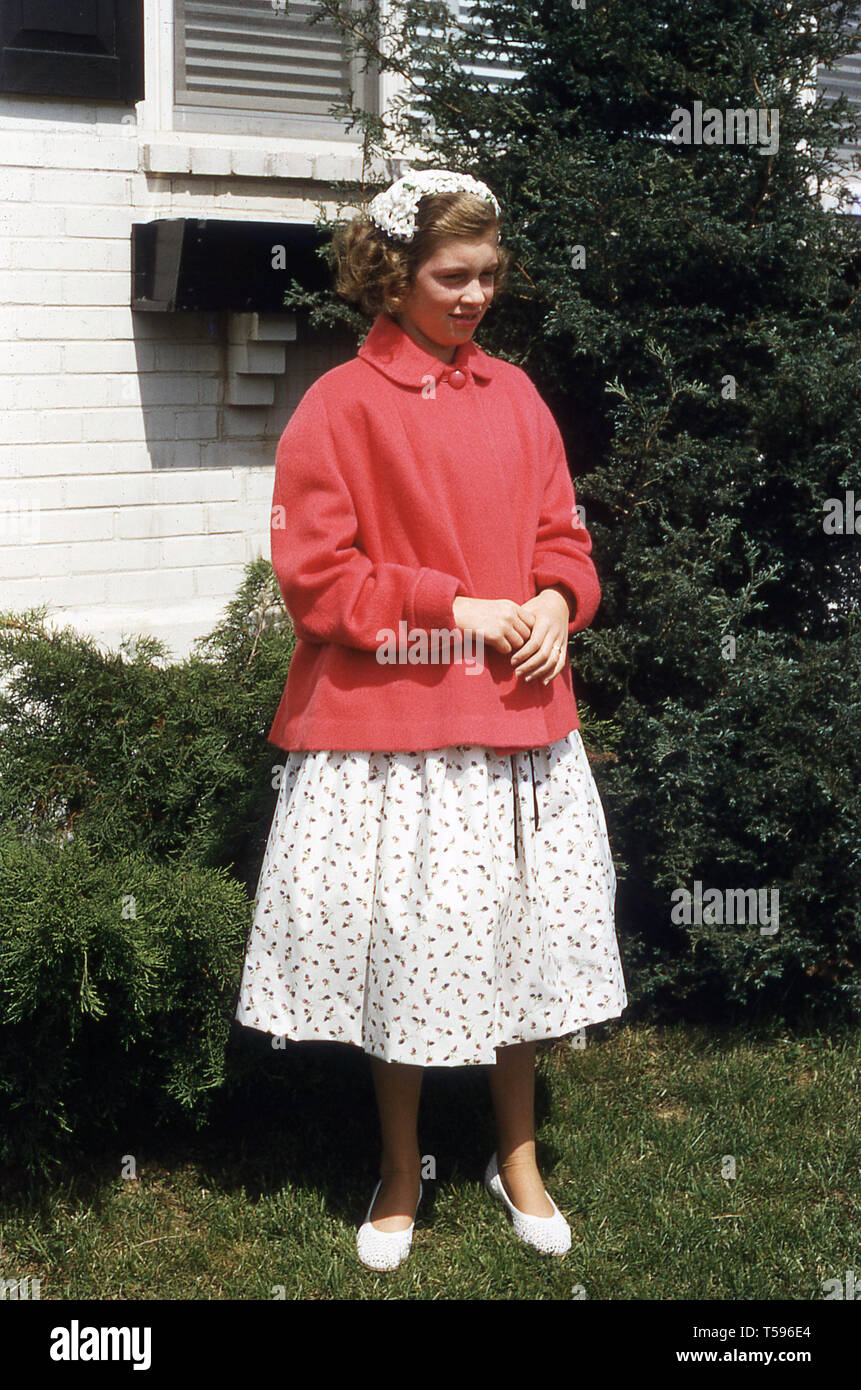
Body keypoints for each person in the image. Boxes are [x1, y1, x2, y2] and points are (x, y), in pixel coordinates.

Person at [234, 168, 628, 1270]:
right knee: (403, 947)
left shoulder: (515, 394)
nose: (475, 295)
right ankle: (402, 1168)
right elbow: (317, 579)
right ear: (394, 274)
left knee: (519, 943)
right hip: (395, 733)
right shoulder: (339, 405)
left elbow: (564, 533)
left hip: (519, 724)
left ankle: (518, 1155)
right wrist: (450, 606)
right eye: (453, 276)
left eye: (490, 275)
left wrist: (556, 599)